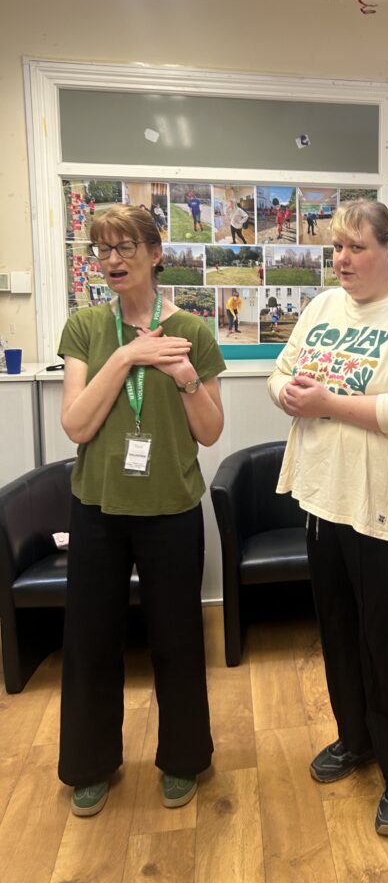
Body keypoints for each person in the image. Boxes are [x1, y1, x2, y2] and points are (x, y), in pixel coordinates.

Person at [267, 200, 388, 837]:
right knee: (340, 632)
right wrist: (292, 394)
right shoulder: (322, 308)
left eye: (355, 248)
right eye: (336, 250)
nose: (342, 260)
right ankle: (357, 739)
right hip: (325, 496)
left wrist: (330, 401)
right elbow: (281, 375)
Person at [57, 205, 225, 816]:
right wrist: (127, 357)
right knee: (91, 639)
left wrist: (182, 375)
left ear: (156, 254)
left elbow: (210, 433)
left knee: (178, 638)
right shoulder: (85, 328)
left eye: (126, 246)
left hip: (172, 507)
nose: (113, 260)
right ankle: (89, 764)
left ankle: (184, 760)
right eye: (102, 249)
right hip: (97, 507)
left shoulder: (195, 331)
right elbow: (76, 424)